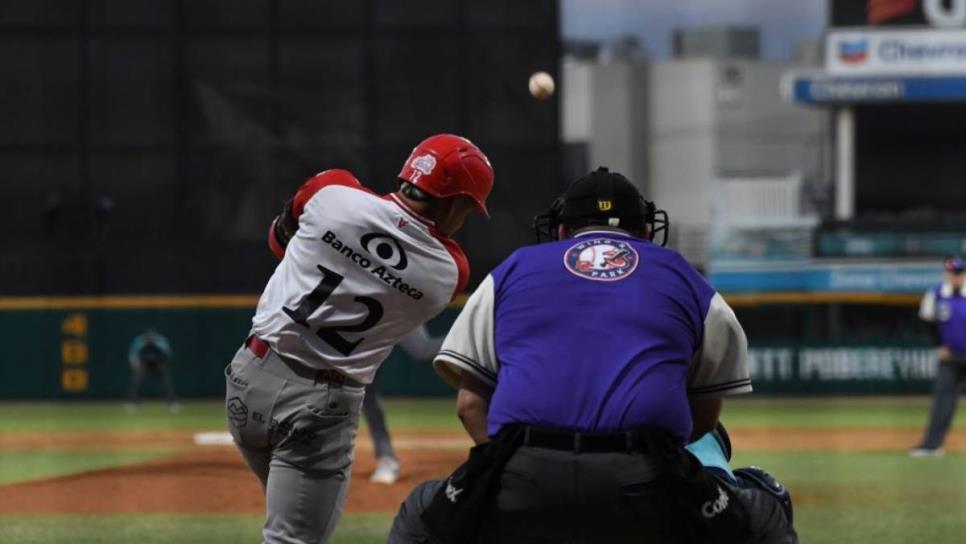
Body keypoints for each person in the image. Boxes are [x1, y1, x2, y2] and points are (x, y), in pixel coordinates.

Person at [389, 167, 795, 544]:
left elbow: (469, 407)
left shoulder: (512, 270)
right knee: (766, 509)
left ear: (563, 229)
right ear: (647, 230)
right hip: (647, 478)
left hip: (524, 474)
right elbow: (704, 419)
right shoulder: (684, 276)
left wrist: (521, 469)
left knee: (419, 516)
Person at [224, 133, 493, 544]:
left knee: (287, 522)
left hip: (249, 378)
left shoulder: (331, 191)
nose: (466, 215)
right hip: (319, 407)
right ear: (454, 201)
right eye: (468, 206)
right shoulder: (449, 271)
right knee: (292, 538)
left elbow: (280, 242)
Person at [367, 324, 445, 485]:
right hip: (366, 326)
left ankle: (470, 335)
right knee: (365, 393)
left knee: (423, 350)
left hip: (397, 307)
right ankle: (386, 458)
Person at [909, 256, 966, 457]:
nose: (954, 276)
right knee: (942, 402)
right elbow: (927, 322)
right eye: (951, 272)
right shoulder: (936, 294)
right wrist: (938, 346)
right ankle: (932, 446)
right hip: (949, 357)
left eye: (958, 272)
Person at [126, 328, 179, 413]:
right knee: (136, 381)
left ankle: (171, 403)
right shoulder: (139, 341)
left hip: (158, 364)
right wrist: (135, 365)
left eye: (152, 338)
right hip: (144, 364)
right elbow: (133, 355)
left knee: (166, 381)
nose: (150, 339)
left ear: (155, 337)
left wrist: (162, 364)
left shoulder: (161, 341)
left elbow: (167, 355)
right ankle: (133, 403)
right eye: (148, 338)